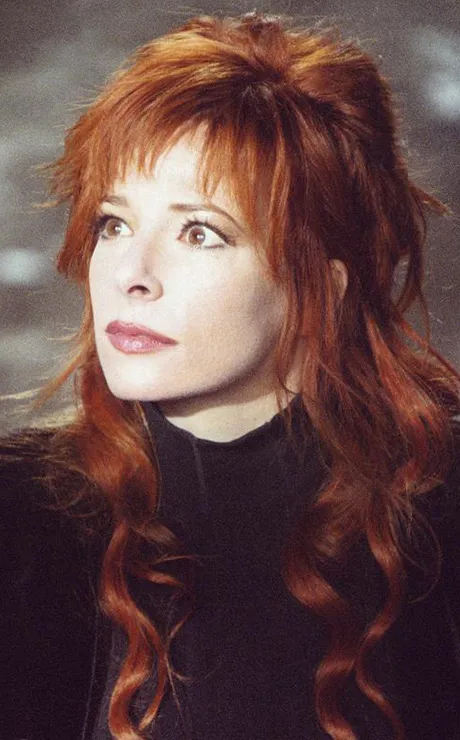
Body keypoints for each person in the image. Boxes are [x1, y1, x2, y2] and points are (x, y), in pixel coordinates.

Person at [1, 11, 459, 740]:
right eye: (114, 223)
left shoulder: (436, 513)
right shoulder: (22, 519)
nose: (130, 274)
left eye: (199, 232)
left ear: (322, 285)